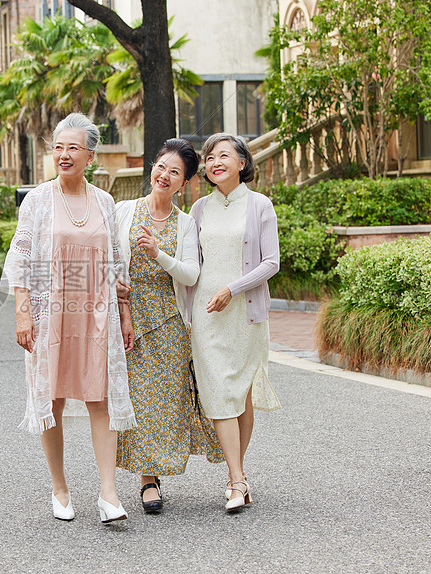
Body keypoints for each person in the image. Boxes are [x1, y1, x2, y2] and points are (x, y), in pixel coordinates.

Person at [3, 112, 137, 524]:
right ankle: (59, 488)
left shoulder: (105, 201)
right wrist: (24, 314)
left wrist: (125, 312)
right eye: (58, 147)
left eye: (72, 147)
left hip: (97, 314)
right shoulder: (38, 200)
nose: (63, 154)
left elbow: (115, 263)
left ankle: (108, 493)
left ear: (90, 155)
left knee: (100, 397)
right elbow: (22, 259)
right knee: (53, 399)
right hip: (51, 314)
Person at [114, 139, 224, 514]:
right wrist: (115, 290)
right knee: (137, 401)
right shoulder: (124, 211)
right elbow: (108, 259)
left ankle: (155, 472)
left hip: (170, 322)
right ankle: (147, 480)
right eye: (161, 166)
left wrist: (158, 253)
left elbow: (191, 275)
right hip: (129, 320)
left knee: (164, 402)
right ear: (152, 168)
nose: (164, 175)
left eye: (174, 172)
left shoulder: (185, 223)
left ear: (184, 183)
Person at [187, 133, 281, 512]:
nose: (214, 162)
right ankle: (239, 480)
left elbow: (270, 262)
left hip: (246, 313)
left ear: (242, 163)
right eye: (209, 157)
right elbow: (191, 266)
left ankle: (234, 478)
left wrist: (232, 288)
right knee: (220, 393)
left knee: (240, 396)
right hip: (207, 315)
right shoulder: (197, 210)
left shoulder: (260, 206)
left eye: (223, 155)